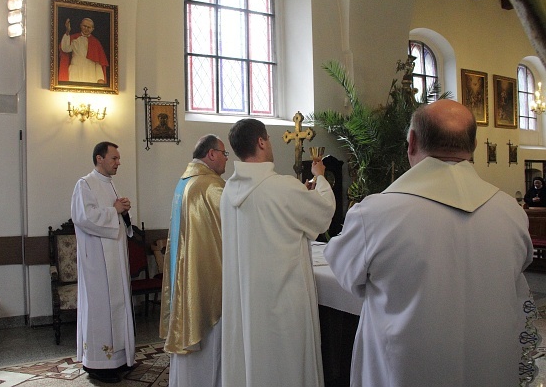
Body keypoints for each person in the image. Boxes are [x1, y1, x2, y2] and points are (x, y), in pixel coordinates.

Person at [324, 99, 534, 387]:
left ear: (411, 142)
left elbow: (347, 275)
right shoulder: (510, 211)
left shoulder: (375, 214)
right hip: (491, 367)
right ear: (473, 145)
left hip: (403, 370)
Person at [220, 118, 336, 387]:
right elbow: (322, 216)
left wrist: (299, 195)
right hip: (281, 301)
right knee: (285, 365)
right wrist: (320, 178)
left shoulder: (228, 191)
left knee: (252, 362)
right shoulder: (281, 186)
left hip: (247, 299)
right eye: (269, 139)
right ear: (261, 142)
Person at [159, 134, 228, 387]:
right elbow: (238, 224)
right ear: (211, 154)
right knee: (212, 352)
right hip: (205, 281)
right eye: (224, 153)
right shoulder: (210, 186)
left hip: (185, 277)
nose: (226, 160)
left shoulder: (185, 182)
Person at [71, 141, 135, 384]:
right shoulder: (85, 184)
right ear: (99, 158)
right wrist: (114, 210)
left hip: (115, 259)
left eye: (118, 159)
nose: (118, 162)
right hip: (97, 262)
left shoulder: (110, 185)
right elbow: (83, 217)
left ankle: (118, 359)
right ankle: (98, 364)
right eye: (114, 158)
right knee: (100, 311)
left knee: (116, 309)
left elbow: (115, 218)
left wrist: (123, 212)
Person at [59, 18, 109, 84]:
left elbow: (98, 62)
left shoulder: (96, 42)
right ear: (81, 25)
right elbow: (65, 49)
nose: (86, 29)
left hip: (90, 71)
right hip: (76, 69)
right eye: (84, 26)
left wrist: (100, 78)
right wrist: (67, 32)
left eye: (89, 27)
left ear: (92, 29)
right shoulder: (74, 38)